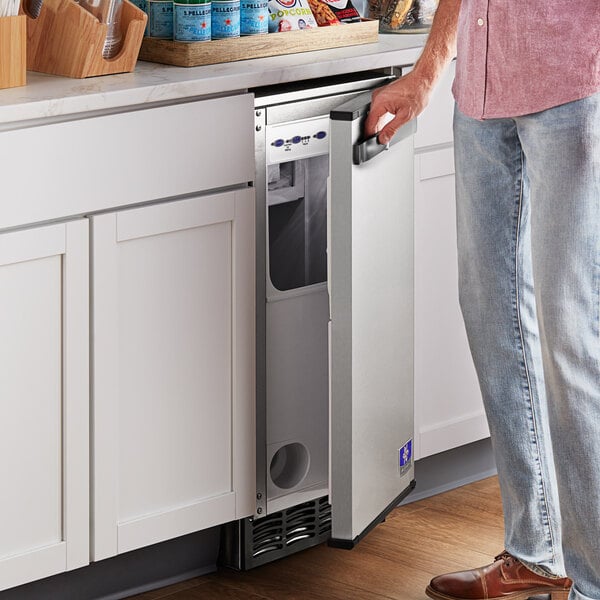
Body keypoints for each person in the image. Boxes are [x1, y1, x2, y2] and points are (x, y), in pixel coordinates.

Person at [365, 2, 600, 600]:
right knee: (492, 320)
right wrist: (427, 73)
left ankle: (594, 583)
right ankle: (534, 552)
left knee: (568, 334)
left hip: (573, 86)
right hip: (481, 95)